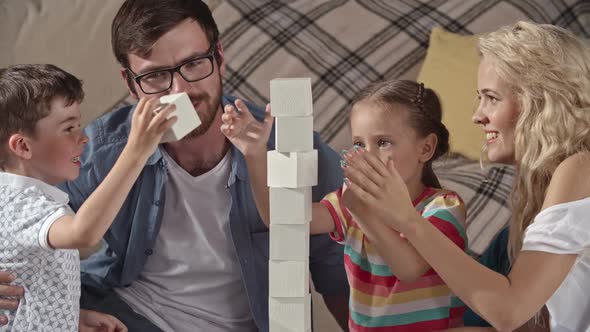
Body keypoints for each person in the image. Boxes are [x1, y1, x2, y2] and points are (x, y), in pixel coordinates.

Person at [0, 0, 350, 331]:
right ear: (130, 83)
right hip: (123, 312)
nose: (180, 90)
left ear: (220, 58)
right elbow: (17, 209)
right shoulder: (103, 148)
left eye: (195, 63)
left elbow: (339, 272)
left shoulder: (288, 147)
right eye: (155, 76)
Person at [341, 21, 590, 332]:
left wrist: (407, 218)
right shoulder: (547, 185)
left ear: (539, 100)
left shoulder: (581, 167)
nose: (477, 115)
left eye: (491, 98)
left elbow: (508, 311)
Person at [222, 79, 468, 331]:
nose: (367, 155)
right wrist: (255, 154)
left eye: (383, 142)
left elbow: (409, 268)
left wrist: (362, 214)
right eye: (359, 144)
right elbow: (280, 217)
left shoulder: (443, 207)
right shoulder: (348, 203)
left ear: (425, 148)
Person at [0, 64, 176, 331]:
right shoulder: (23, 204)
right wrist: (137, 151)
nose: (83, 139)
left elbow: (32, 284)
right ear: (23, 146)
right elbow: (84, 233)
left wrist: (72, 317)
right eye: (69, 128)